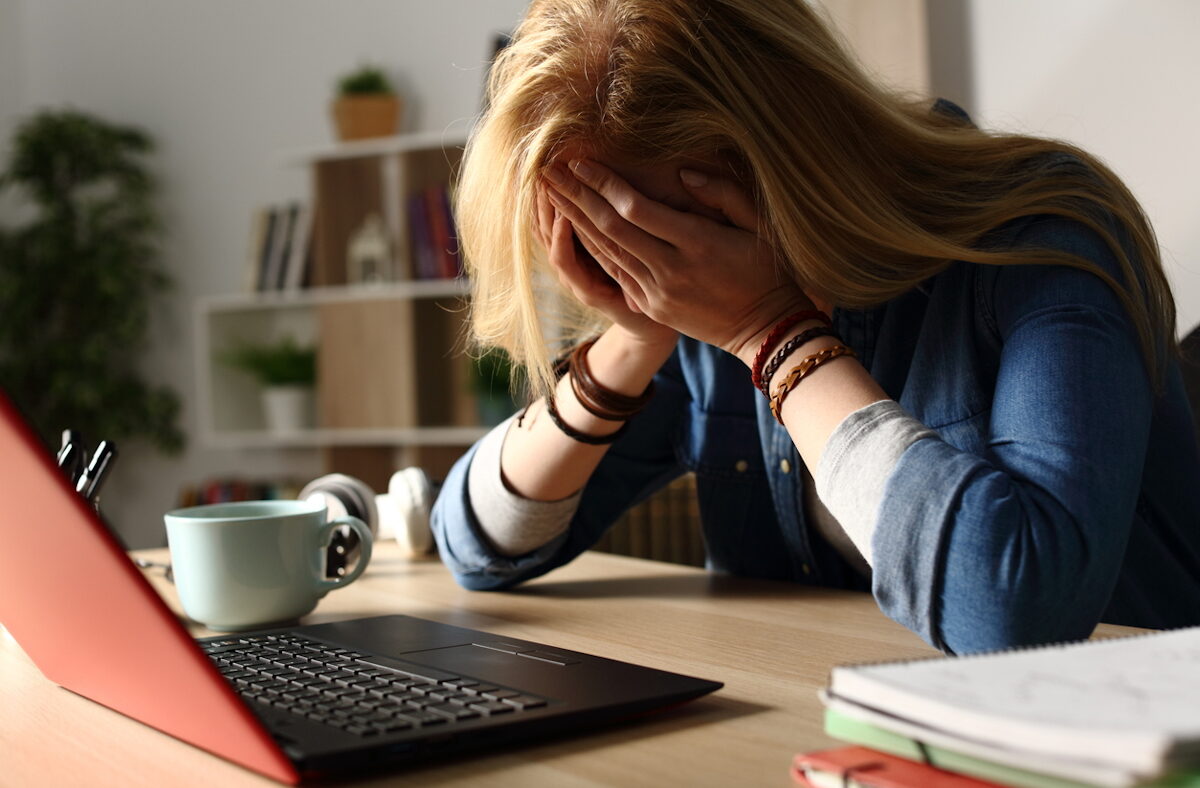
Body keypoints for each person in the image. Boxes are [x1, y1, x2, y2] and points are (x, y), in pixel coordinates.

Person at [430, 0, 1200, 655]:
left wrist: (769, 331)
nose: (654, 269)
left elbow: (1018, 608)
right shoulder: (690, 306)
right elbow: (477, 543)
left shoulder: (1045, 231)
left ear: (791, 154)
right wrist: (634, 338)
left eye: (662, 235)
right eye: (611, 241)